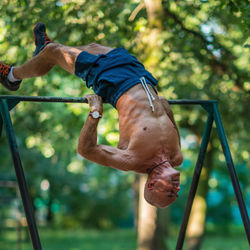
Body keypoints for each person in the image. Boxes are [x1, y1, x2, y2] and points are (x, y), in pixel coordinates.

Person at [0, 22, 183, 207]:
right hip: (140, 77)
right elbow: (171, 123)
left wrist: (95, 114)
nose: (177, 189)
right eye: (175, 193)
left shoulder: (132, 160)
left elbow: (86, 150)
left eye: (169, 192)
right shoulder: (177, 157)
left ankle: (12, 77)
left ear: (152, 184)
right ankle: (43, 50)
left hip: (114, 83)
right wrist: (164, 108)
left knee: (54, 53)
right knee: (93, 47)